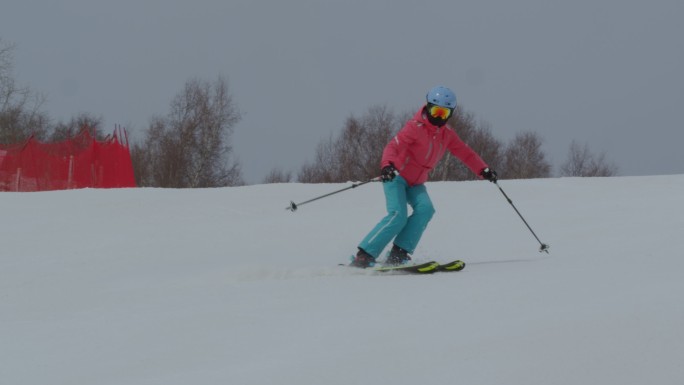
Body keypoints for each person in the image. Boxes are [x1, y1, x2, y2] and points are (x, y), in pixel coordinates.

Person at [350, 85, 498, 268]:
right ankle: (364, 255)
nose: (438, 117)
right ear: (428, 107)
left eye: (444, 114)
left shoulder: (447, 134)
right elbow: (393, 147)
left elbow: (465, 153)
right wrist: (387, 165)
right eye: (436, 111)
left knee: (426, 210)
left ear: (450, 114)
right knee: (398, 215)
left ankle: (399, 253)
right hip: (396, 178)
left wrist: (483, 169)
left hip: (416, 183)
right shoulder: (414, 127)